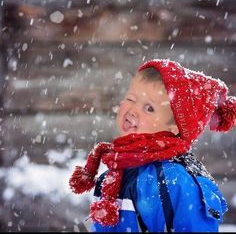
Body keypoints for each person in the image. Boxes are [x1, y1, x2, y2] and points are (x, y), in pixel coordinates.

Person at [69, 59, 236, 232]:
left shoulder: (175, 181)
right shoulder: (114, 174)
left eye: (149, 108)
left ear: (175, 127)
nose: (133, 110)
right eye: (131, 99)